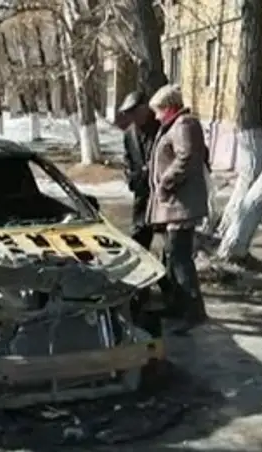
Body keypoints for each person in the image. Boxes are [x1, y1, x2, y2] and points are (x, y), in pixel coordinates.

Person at [146, 84, 209, 335]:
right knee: (173, 257)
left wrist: (165, 183)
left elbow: (187, 158)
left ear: (170, 108)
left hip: (182, 205)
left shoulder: (184, 125)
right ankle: (177, 305)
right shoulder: (175, 125)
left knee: (180, 259)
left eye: (158, 110)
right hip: (175, 205)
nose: (156, 116)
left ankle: (193, 312)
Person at [115, 91, 164, 334]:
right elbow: (128, 162)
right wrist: (133, 177)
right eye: (129, 114)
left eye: (135, 112)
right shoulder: (129, 134)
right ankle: (140, 291)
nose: (133, 117)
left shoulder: (162, 129)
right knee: (138, 242)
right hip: (142, 197)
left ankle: (172, 294)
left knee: (168, 248)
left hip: (164, 198)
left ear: (146, 108)